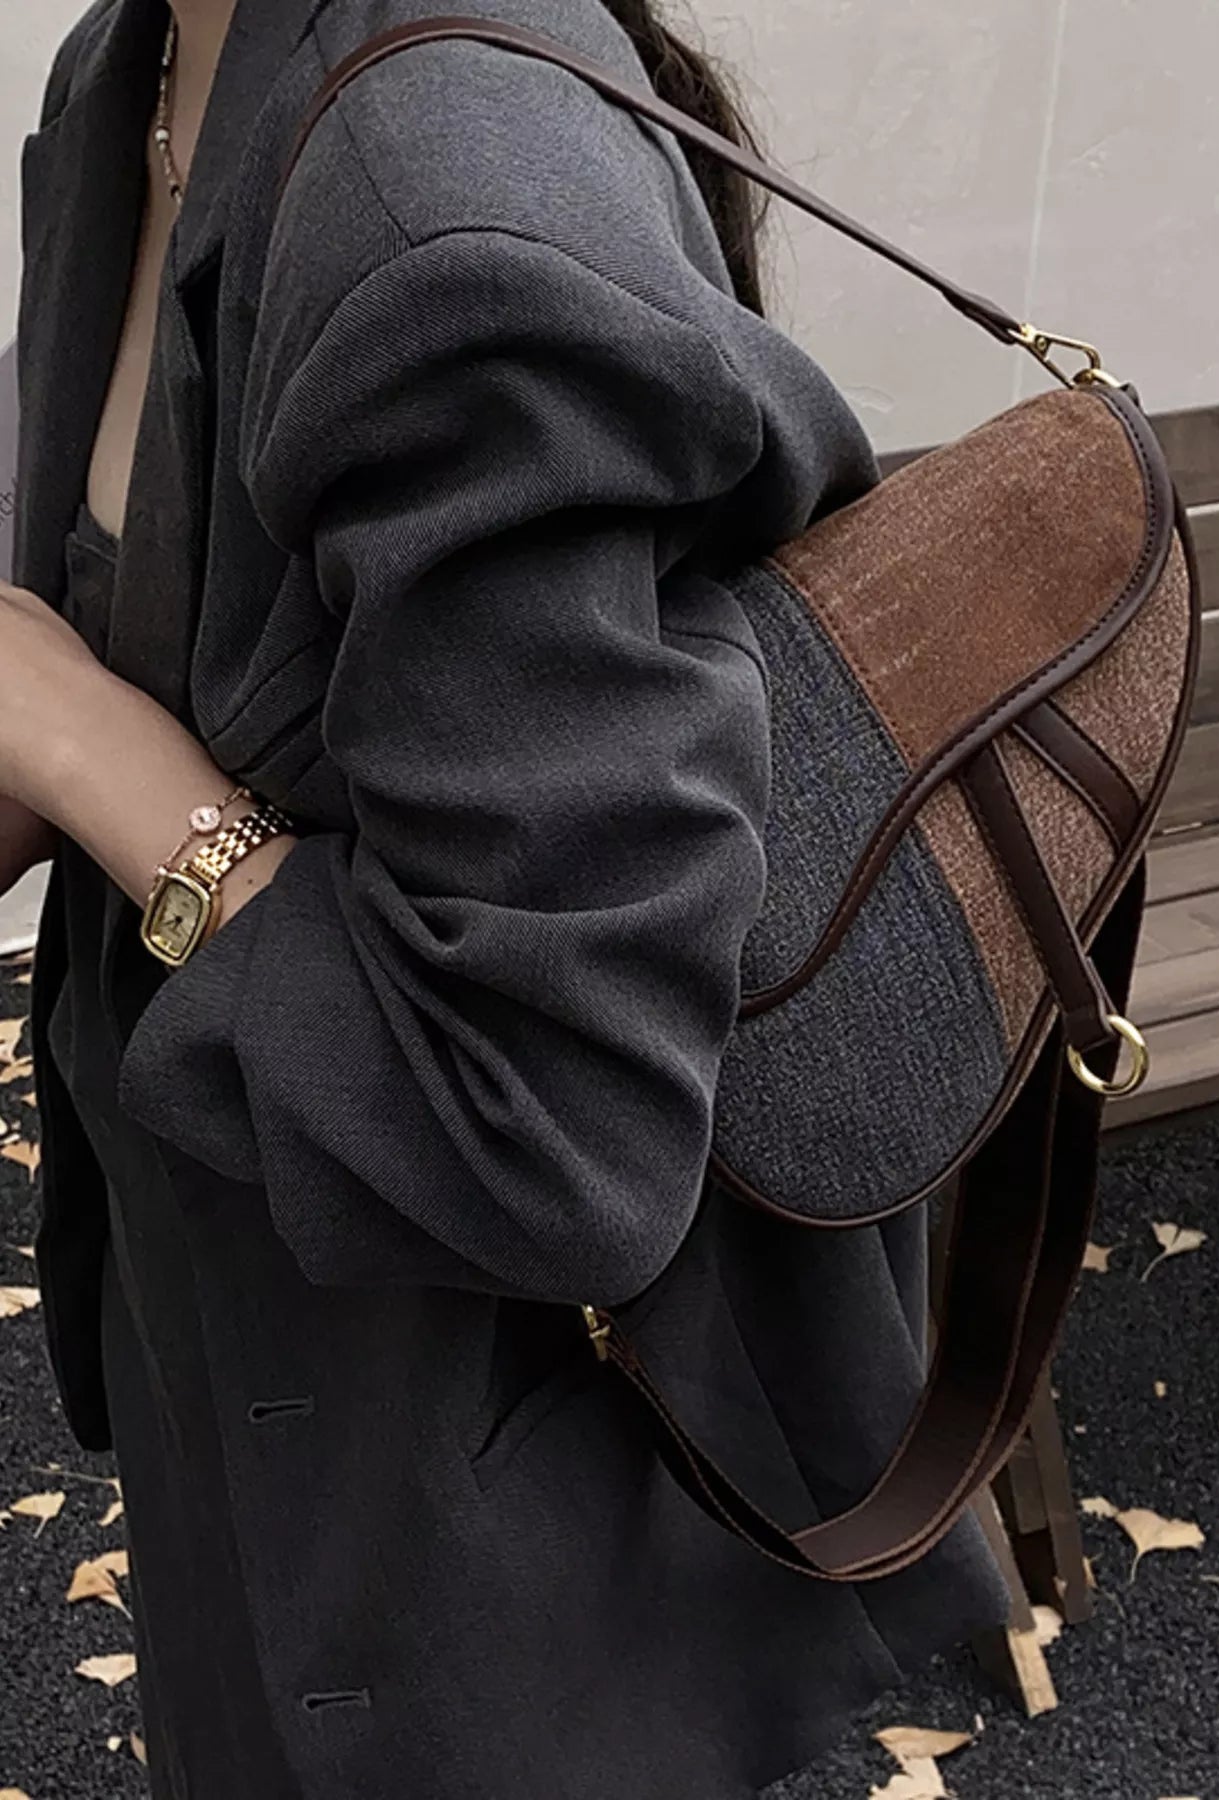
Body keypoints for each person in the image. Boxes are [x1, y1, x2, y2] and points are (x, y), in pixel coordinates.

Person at [4, 0, 1005, 1793]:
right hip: (232, 1332)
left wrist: (91, 756)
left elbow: (556, 1128)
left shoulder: (427, 188)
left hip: (501, 1488)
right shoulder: (129, 69)